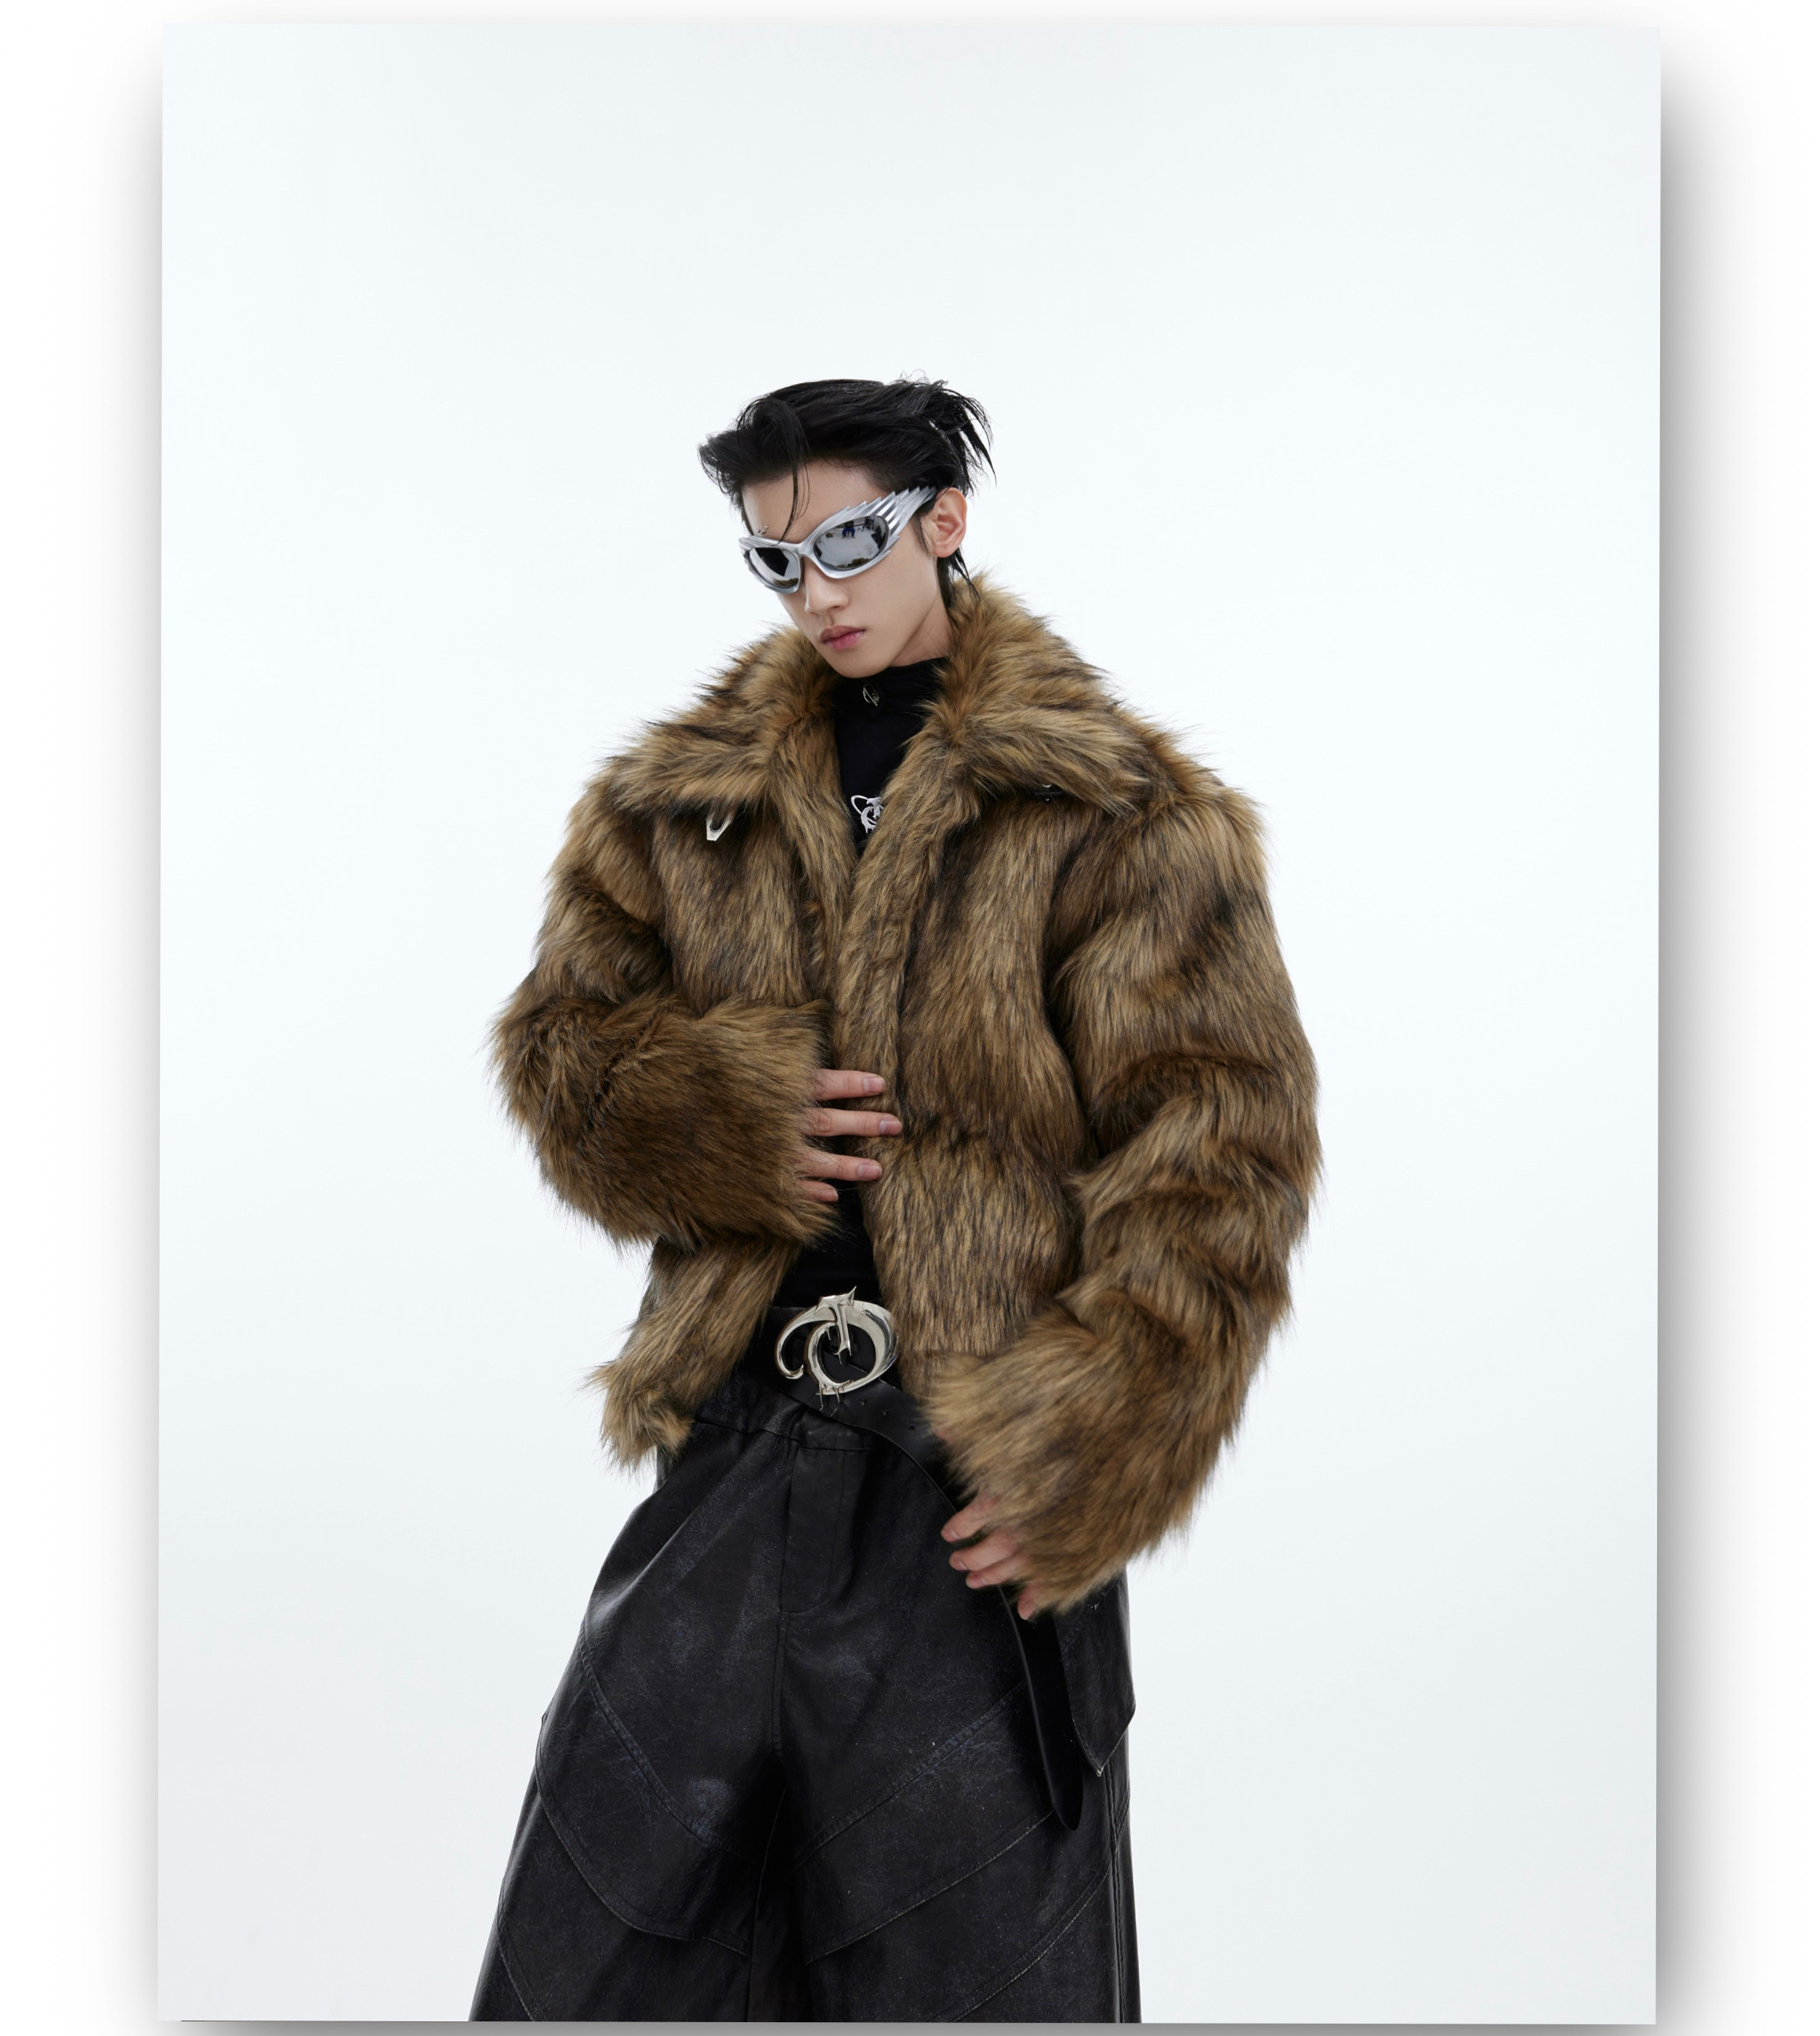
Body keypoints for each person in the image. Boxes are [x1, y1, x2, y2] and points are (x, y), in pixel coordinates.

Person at [470, 378, 1320, 2022]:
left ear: (944, 519)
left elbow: (1222, 1150)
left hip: (965, 1493)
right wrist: (721, 1112)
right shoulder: (675, 804)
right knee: (584, 1962)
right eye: (776, 559)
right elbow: (562, 1049)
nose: (818, 590)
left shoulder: (1121, 814)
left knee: (978, 1978)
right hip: (730, 1462)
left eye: (849, 541)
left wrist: (1095, 1437)